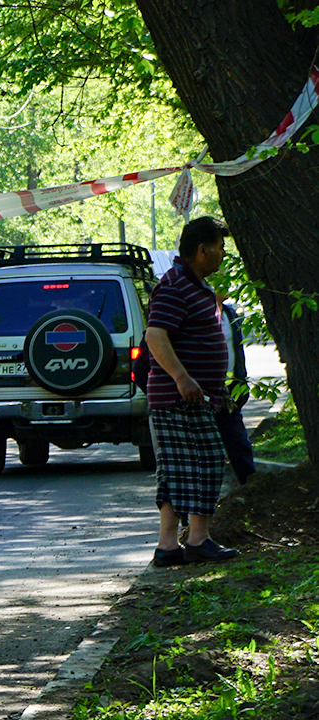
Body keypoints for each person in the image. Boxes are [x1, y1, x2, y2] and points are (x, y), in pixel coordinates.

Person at [144, 216, 241, 566]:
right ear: (202, 250)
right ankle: (198, 539)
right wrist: (183, 378)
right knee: (208, 460)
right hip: (179, 397)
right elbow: (156, 336)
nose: (223, 255)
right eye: (219, 248)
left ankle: (167, 546)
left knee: (175, 469)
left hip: (194, 396)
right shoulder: (174, 285)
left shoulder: (193, 284)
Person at [213, 297, 257, 484]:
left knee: (239, 444)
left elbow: (237, 353)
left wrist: (242, 384)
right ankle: (205, 505)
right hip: (203, 391)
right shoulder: (195, 313)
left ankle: (251, 491)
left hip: (230, 390)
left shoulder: (230, 313)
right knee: (207, 452)